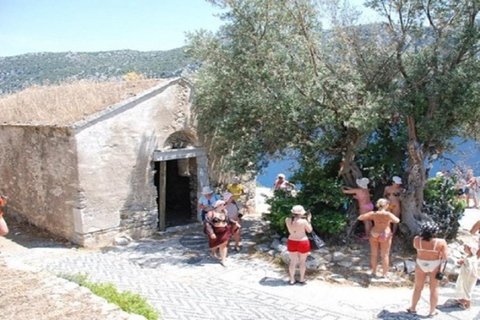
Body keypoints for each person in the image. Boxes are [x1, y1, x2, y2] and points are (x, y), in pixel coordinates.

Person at [407, 222, 448, 317]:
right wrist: (441, 270)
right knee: (434, 288)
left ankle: (413, 307)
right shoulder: (441, 242)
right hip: (435, 264)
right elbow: (445, 258)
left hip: (421, 263)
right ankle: (432, 311)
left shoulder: (417, 240)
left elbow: (415, 248)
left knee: (418, 287)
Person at [357, 198, 399, 278]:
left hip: (374, 233)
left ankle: (374, 272)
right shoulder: (388, 214)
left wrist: (370, 218)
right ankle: (384, 274)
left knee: (374, 254)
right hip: (385, 234)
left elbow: (360, 217)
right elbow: (397, 220)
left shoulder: (373, 213)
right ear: (386, 205)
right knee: (385, 255)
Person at [204, 200, 240, 266]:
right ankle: (213, 253)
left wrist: (235, 223)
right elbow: (207, 224)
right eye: (223, 205)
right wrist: (211, 233)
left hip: (224, 230)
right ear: (219, 206)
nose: (225, 206)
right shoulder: (211, 213)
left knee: (224, 245)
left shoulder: (224, 212)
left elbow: (228, 219)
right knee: (213, 245)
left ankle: (223, 260)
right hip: (215, 231)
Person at [285, 205, 312, 285]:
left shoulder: (287, 220)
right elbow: (309, 230)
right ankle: (302, 279)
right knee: (302, 262)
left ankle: (292, 280)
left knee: (293, 262)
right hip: (302, 241)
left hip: (292, 240)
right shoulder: (303, 221)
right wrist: (309, 220)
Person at [455, 242, 478, 310]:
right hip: (467, 275)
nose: (464, 248)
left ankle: (468, 304)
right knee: (465, 287)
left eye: (465, 248)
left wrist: (463, 262)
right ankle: (463, 299)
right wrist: (463, 262)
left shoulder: (470, 259)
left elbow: (469, 268)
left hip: (470, 276)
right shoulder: (469, 257)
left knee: (468, 289)